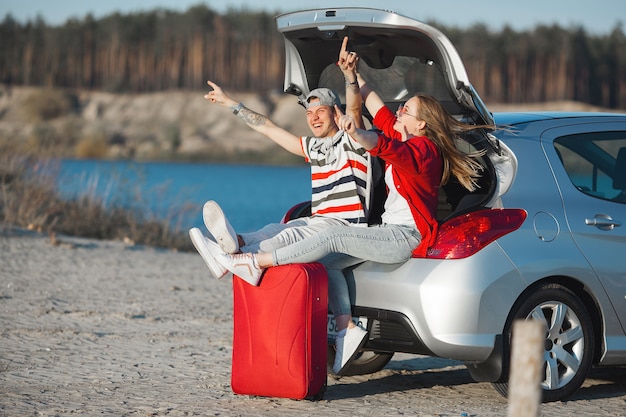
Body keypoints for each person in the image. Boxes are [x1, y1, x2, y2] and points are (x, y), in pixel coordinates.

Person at [190, 80, 377, 284]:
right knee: (272, 230)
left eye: (320, 111)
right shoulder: (313, 147)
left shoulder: (353, 140)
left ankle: (229, 259)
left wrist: (350, 77)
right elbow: (268, 128)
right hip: (319, 221)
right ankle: (237, 243)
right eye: (309, 113)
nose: (313, 118)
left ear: (335, 113)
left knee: (290, 236)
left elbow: (354, 108)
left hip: (344, 227)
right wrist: (230, 103)